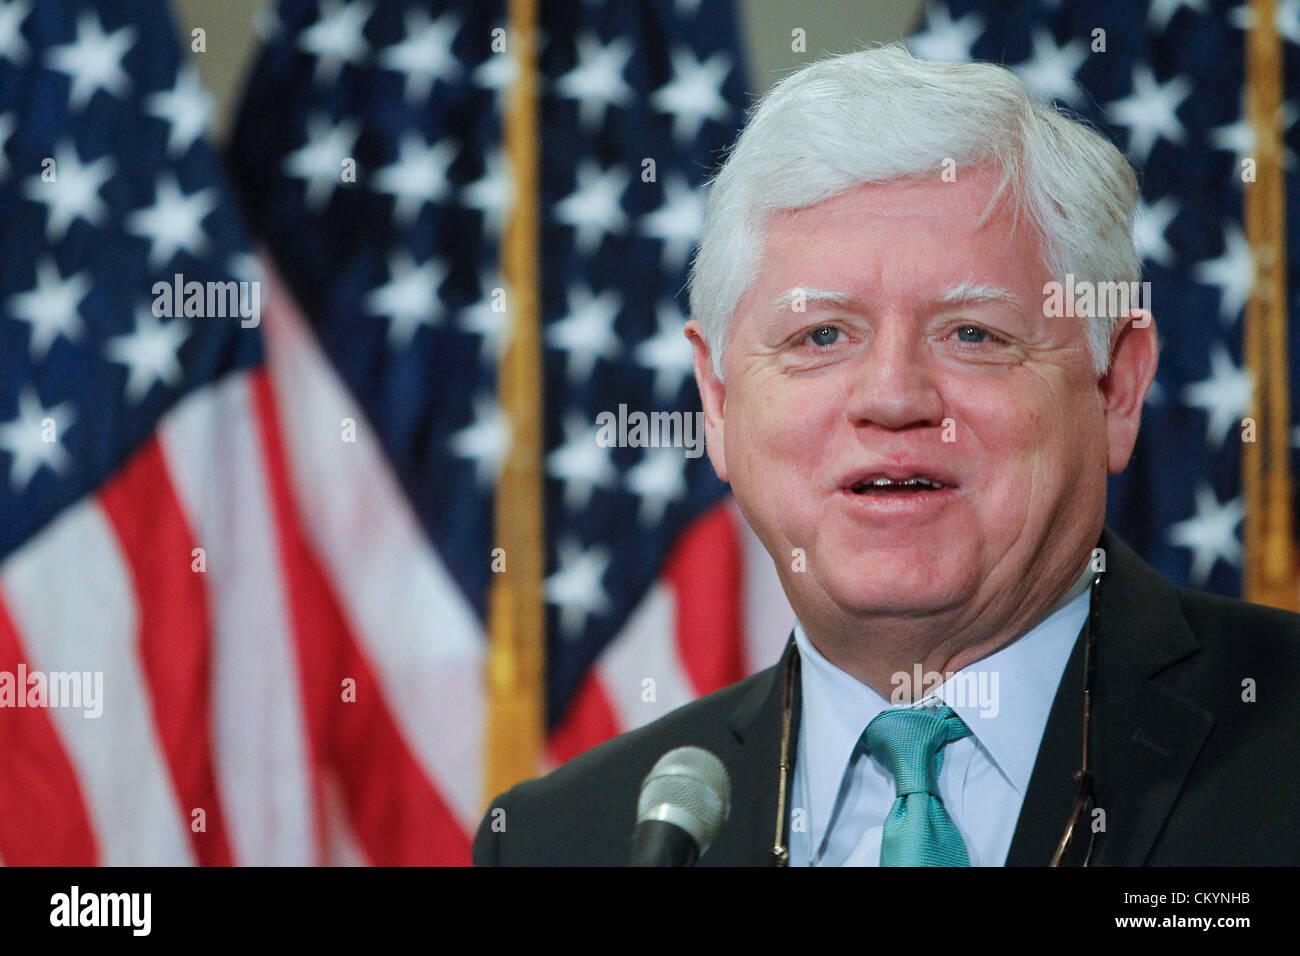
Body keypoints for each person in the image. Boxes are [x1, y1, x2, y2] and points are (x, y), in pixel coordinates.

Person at [472, 44, 1300, 866]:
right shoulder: (566, 840)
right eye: (821, 336)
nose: (894, 398)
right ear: (718, 405)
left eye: (974, 334)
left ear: (1115, 386)